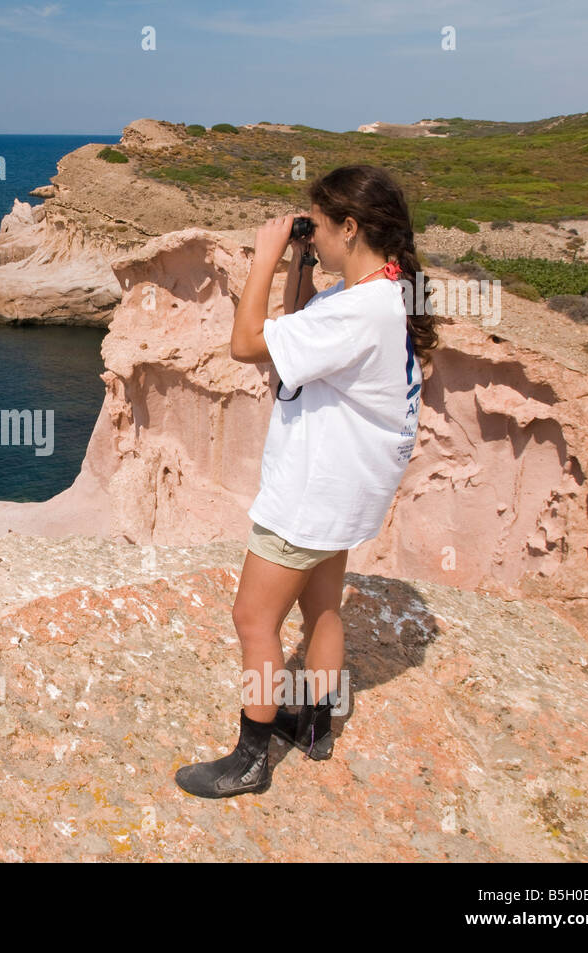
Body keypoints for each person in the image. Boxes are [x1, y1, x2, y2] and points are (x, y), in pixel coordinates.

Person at [175, 164, 440, 798]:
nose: (311, 237)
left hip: (309, 494)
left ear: (350, 227)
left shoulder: (358, 311)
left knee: (253, 621)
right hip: (347, 494)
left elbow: (247, 343)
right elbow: (296, 327)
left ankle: (250, 759)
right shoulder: (384, 292)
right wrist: (299, 263)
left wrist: (261, 261)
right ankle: (316, 728)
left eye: (317, 227)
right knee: (322, 605)